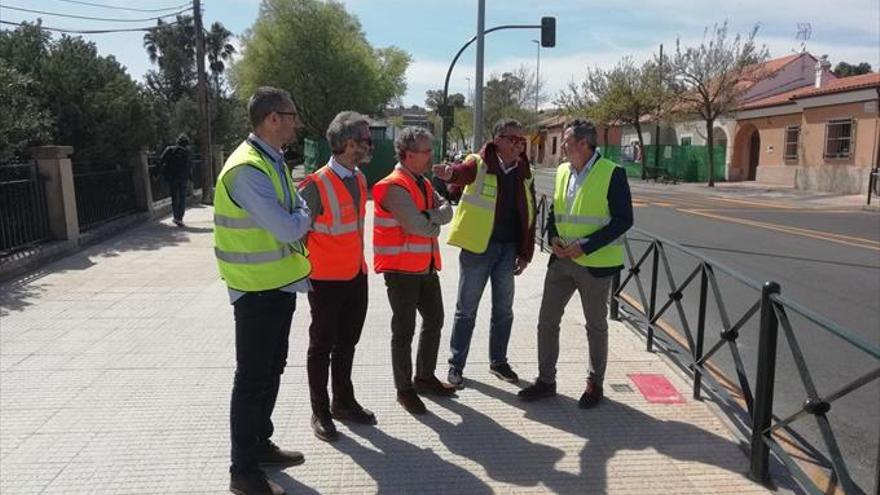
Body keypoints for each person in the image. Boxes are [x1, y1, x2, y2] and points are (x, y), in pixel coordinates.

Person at [213, 87, 310, 495]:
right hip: (255, 292)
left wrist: (299, 212)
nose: (296, 122)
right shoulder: (247, 170)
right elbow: (291, 224)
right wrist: (303, 213)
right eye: (292, 115)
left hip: (279, 284)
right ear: (273, 118)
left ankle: (260, 443)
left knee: (271, 370)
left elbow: (294, 211)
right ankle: (243, 471)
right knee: (252, 378)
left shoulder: (271, 161)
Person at [518, 119, 633, 409]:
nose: (563, 147)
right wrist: (553, 236)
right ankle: (546, 381)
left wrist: (586, 245)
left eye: (566, 142)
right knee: (547, 322)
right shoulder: (561, 172)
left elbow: (623, 220)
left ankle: (595, 384)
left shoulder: (612, 173)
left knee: (595, 326)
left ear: (583, 144)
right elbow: (557, 208)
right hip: (561, 261)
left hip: (594, 265)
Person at [434, 118, 537, 388]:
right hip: (478, 249)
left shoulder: (525, 171)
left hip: (508, 250)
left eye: (521, 140)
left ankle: (498, 362)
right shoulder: (479, 163)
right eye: (513, 139)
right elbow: (462, 173)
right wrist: (450, 174)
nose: (518, 145)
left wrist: (525, 253)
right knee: (466, 310)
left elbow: (530, 213)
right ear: (498, 140)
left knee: (504, 311)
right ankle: (456, 365)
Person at [299, 111, 375, 443]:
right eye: (365, 140)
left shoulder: (358, 177)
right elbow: (296, 235)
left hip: (356, 275)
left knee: (348, 343)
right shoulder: (315, 185)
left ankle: (343, 402)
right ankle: (321, 411)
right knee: (321, 346)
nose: (369, 145)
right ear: (346, 144)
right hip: (326, 282)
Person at [373, 126, 456, 415]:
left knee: (435, 319)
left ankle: (424, 377)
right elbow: (416, 225)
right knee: (404, 331)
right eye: (427, 151)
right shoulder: (394, 185)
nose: (432, 156)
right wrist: (433, 221)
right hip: (401, 271)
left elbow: (448, 209)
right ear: (408, 155)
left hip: (425, 267)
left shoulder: (421, 181)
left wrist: (430, 217)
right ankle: (404, 389)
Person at [159, 133, 191, 227]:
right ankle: (179, 218)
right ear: (186, 144)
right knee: (182, 198)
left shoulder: (170, 150)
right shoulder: (187, 152)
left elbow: (161, 161)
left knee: (174, 197)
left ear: (178, 142)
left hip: (172, 177)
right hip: (183, 178)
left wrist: (158, 173)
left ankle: (175, 216)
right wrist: (190, 177)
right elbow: (189, 165)